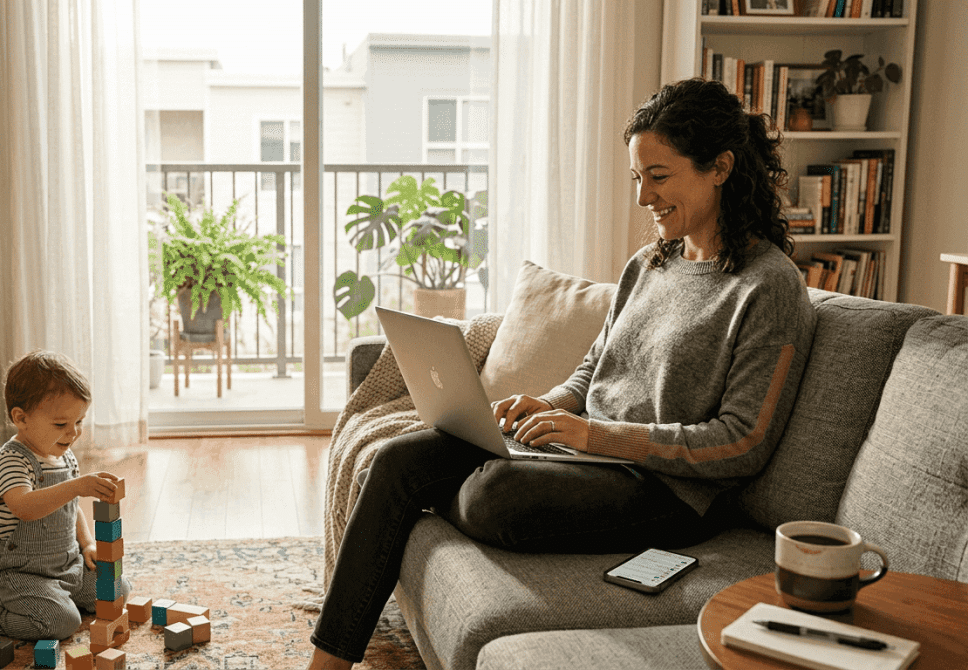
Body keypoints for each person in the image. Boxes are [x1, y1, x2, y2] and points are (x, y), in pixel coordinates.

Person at [306, 78, 817, 670]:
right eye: (637, 178)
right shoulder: (650, 264)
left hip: (666, 491)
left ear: (720, 167)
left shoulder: (769, 286)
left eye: (659, 176)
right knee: (397, 460)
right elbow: (594, 367)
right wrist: (548, 404)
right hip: (584, 456)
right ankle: (325, 665)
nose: (643, 197)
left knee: (491, 494)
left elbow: (742, 441)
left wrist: (597, 436)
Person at [0, 350, 131, 640]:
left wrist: (88, 543)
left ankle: (60, 599)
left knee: (117, 589)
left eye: (79, 421)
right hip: (20, 576)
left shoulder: (64, 456)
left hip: (67, 567)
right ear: (21, 418)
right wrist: (76, 486)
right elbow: (25, 507)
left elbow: (72, 507)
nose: (74, 433)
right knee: (61, 624)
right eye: (61, 424)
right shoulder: (11, 460)